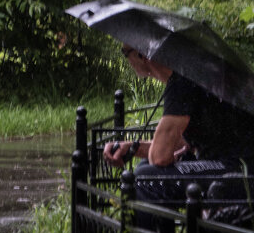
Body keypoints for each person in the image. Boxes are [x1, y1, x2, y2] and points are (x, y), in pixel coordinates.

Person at [102, 45, 254, 216]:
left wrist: (163, 154)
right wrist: (131, 148)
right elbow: (180, 143)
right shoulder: (195, 76)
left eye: (125, 52)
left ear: (142, 54)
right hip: (234, 165)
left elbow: (159, 157)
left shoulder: (182, 81)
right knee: (146, 168)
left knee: (147, 178)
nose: (126, 59)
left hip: (242, 171)